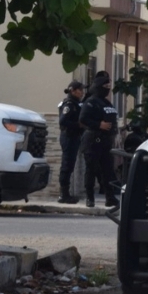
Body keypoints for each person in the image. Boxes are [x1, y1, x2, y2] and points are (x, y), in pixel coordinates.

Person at [79, 76, 118, 208]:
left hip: (106, 141)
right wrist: (98, 125)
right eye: (105, 87)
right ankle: (90, 198)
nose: (108, 90)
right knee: (91, 170)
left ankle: (110, 197)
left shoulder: (107, 103)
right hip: (93, 140)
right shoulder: (91, 102)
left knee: (107, 170)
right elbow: (83, 119)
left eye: (109, 87)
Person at [56, 80, 86, 204]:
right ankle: (64, 195)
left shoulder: (76, 104)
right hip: (68, 137)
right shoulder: (69, 105)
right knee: (67, 165)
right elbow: (62, 121)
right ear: (73, 91)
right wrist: (78, 125)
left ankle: (66, 194)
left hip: (74, 137)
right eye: (80, 90)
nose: (82, 92)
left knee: (70, 165)